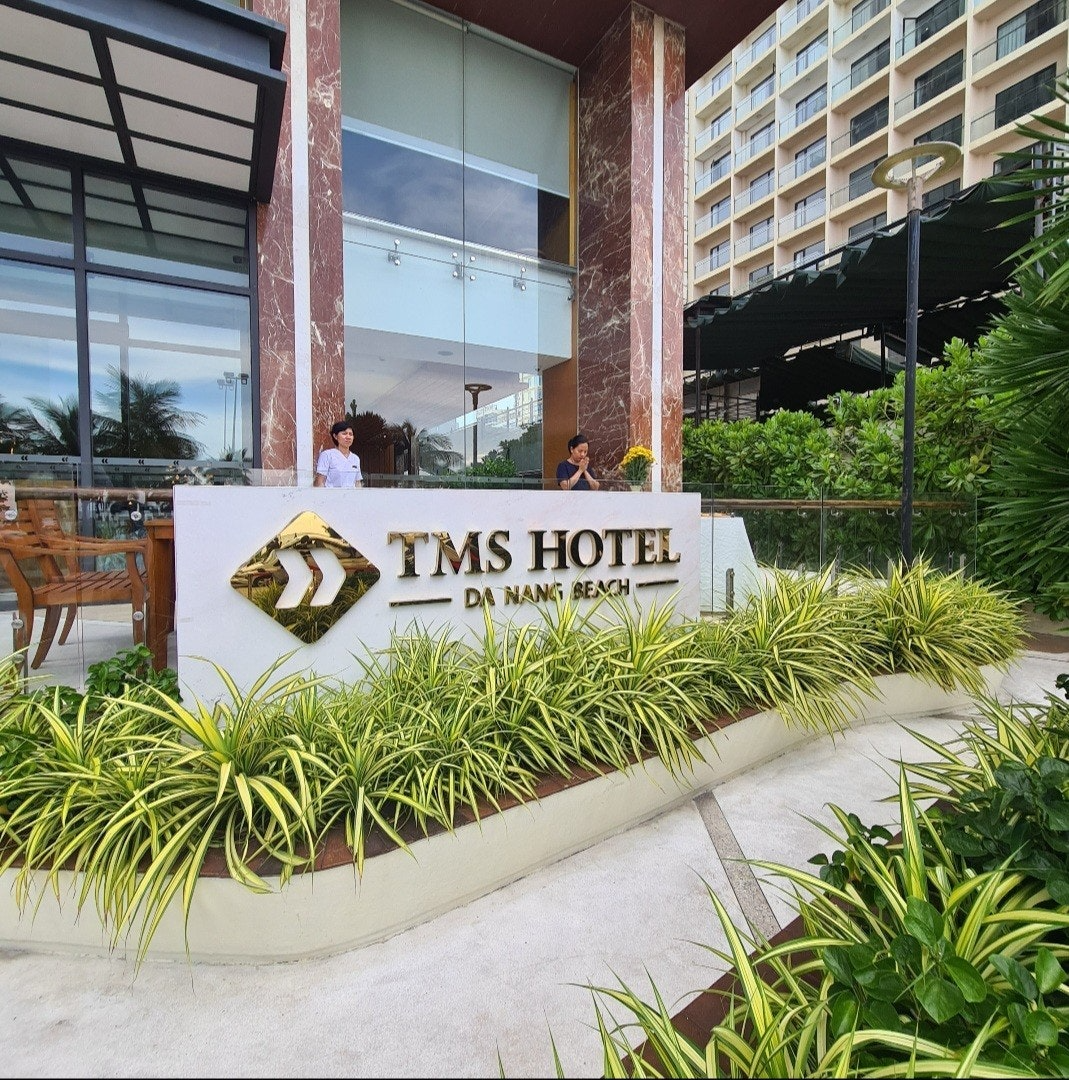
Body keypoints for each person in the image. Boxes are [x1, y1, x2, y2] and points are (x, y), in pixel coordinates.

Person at [314, 420, 363, 488]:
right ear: (335, 436)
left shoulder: (355, 458)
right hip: (332, 494)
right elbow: (320, 482)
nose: (348, 437)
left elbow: (358, 483)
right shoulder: (327, 455)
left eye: (350, 434)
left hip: (351, 494)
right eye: (344, 433)